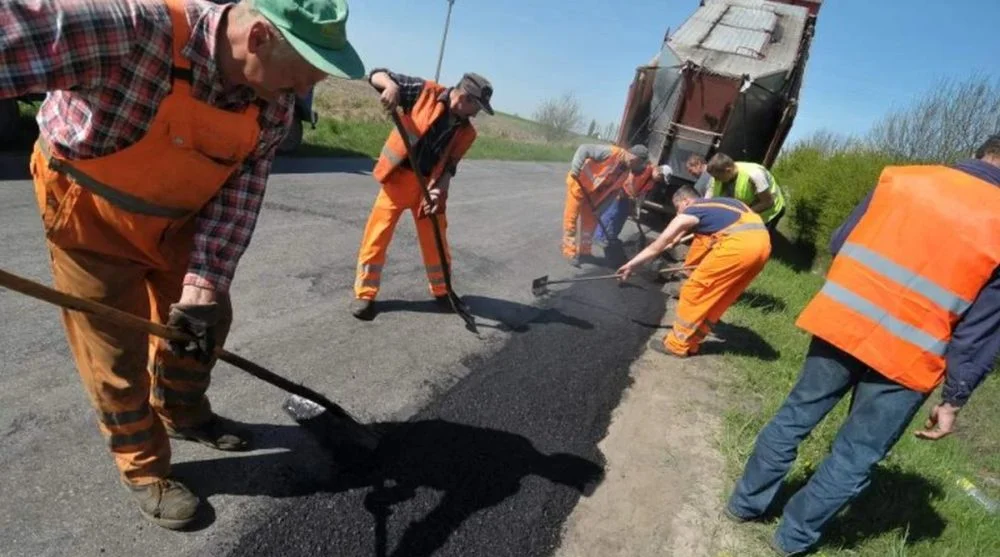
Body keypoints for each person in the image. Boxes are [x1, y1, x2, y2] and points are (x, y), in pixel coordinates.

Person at [1, 0, 364, 530]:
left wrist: (206, 279)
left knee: (204, 323)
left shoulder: (269, 104)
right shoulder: (130, 31)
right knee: (114, 360)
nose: (295, 99)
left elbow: (241, 190)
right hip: (90, 217)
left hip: (178, 217)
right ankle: (143, 466)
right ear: (259, 37)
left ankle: (181, 412)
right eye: (295, 80)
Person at [724, 134, 1000, 557]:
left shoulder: (903, 179)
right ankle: (791, 539)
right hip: (909, 356)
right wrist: (954, 399)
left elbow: (839, 241)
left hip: (842, 323)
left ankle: (745, 505)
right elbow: (979, 330)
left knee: (796, 416)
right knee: (855, 454)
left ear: (981, 151)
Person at [350, 69, 493, 320]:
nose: (476, 114)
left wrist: (439, 189)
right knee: (377, 236)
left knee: (436, 240)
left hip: (429, 186)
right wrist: (391, 87)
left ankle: (443, 290)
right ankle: (365, 295)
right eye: (477, 107)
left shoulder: (467, 132)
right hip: (398, 180)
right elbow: (376, 75)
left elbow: (450, 166)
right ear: (465, 99)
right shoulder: (424, 92)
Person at [617, 186, 771, 357]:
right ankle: (692, 343)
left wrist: (631, 265)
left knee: (693, 291)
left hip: (739, 248)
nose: (678, 214)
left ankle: (676, 345)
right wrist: (676, 238)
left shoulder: (691, 210)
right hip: (763, 247)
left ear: (686, 201)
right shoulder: (720, 204)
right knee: (717, 297)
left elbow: (656, 246)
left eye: (678, 209)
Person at [562, 143, 659, 266]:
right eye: (639, 164)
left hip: (593, 197)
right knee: (570, 220)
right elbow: (584, 148)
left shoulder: (625, 172)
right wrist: (576, 168)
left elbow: (612, 194)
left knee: (590, 225)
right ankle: (569, 252)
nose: (638, 168)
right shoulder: (611, 152)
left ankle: (584, 253)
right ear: (635, 158)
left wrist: (600, 209)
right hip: (578, 187)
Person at [705, 153, 787, 234]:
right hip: (745, 211)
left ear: (728, 170)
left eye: (717, 177)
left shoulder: (754, 174)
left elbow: (768, 202)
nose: (716, 180)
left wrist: (741, 216)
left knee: (755, 242)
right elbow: (708, 199)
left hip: (768, 213)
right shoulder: (717, 176)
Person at [594, 164, 672, 246]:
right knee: (611, 213)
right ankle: (599, 236)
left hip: (630, 197)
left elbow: (642, 195)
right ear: (659, 173)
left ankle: (612, 236)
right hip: (621, 190)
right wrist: (631, 193)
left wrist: (637, 209)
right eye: (661, 179)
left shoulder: (652, 182)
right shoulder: (644, 168)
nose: (660, 181)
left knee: (622, 216)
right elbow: (629, 178)